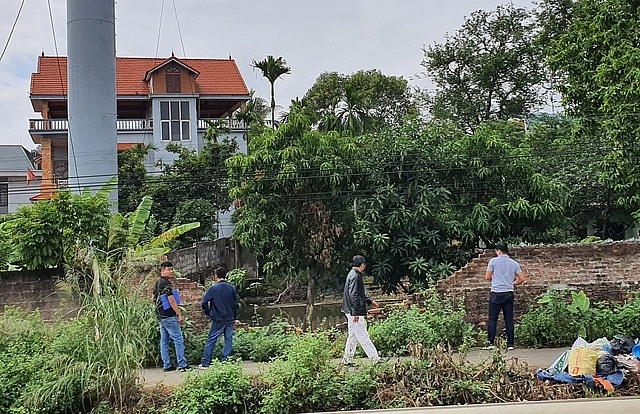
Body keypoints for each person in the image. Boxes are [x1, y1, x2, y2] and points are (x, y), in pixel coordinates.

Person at [484, 242, 526, 350]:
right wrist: (514, 283)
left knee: (493, 319)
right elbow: (522, 278)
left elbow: (487, 277)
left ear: (499, 250)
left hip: (496, 293)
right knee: (509, 319)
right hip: (508, 293)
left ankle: (490, 343)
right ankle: (510, 344)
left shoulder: (493, 261)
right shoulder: (514, 263)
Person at [341, 255, 381, 365]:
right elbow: (354, 295)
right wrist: (356, 312)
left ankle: (347, 359)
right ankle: (375, 358)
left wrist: (369, 301)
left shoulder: (353, 274)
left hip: (349, 310)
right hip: (353, 312)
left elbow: (359, 293)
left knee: (353, 336)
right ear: (362, 265)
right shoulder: (355, 277)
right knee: (363, 335)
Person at [197, 266, 239, 369]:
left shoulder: (213, 288)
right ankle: (226, 360)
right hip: (229, 317)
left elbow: (204, 303)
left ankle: (206, 362)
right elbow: (235, 304)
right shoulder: (231, 288)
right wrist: (234, 315)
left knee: (211, 339)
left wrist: (209, 312)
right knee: (228, 339)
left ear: (215, 276)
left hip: (218, 317)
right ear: (226, 275)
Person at [153, 261, 192, 372]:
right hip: (169, 316)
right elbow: (171, 301)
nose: (171, 271)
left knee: (164, 341)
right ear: (162, 270)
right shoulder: (166, 284)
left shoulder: (157, 283)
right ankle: (182, 365)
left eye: (172, 269)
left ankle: (167, 365)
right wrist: (179, 314)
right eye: (169, 269)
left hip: (161, 316)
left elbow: (153, 298)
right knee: (178, 339)